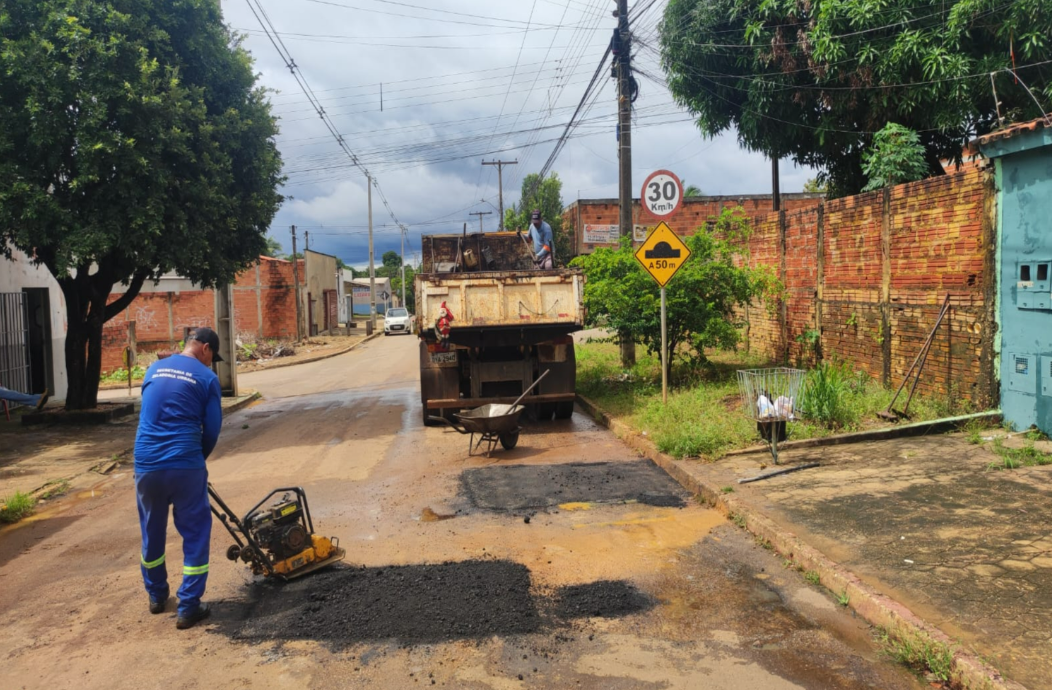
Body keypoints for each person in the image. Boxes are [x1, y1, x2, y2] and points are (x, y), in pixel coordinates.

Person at [134, 327, 223, 629]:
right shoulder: (207, 378)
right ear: (206, 349)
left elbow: (149, 412)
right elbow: (211, 431)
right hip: (184, 463)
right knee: (196, 532)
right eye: (212, 358)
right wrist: (195, 460)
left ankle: (157, 596)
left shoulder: (153, 369)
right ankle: (188, 606)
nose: (210, 364)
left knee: (152, 529)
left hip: (146, 464)